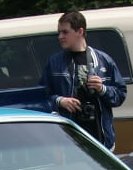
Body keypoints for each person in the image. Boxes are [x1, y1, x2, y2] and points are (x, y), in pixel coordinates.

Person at [39, 10, 126, 149]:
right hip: (68, 142)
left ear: (80, 31)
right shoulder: (54, 63)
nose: (60, 37)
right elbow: (41, 97)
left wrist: (102, 89)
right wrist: (60, 101)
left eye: (65, 32)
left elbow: (120, 95)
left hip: (102, 141)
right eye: (59, 32)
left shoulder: (104, 60)